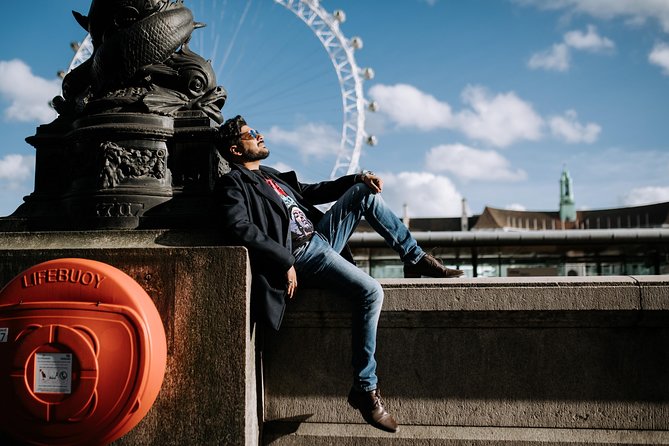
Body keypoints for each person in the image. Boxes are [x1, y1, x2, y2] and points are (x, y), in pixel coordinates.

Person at [216, 115, 463, 433]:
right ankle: (365, 388)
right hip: (301, 254)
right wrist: (282, 260)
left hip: (319, 237)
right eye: (253, 135)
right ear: (236, 150)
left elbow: (314, 191)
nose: (261, 136)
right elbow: (240, 227)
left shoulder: (271, 176)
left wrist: (357, 178)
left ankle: (414, 257)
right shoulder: (233, 185)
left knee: (364, 193)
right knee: (371, 292)